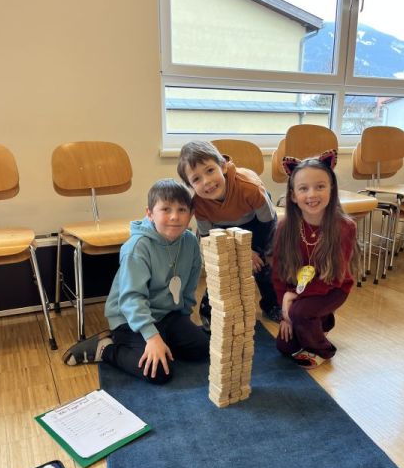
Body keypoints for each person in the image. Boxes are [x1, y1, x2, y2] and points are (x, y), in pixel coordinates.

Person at [63, 178, 209, 383]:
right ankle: (106, 348)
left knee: (202, 349)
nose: (175, 216)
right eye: (166, 209)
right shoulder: (138, 247)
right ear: (150, 213)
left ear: (191, 214)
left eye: (182, 210)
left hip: (168, 314)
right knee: (159, 373)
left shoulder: (191, 242)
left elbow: (189, 287)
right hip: (130, 318)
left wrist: (183, 320)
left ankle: (160, 340)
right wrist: (151, 336)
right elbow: (131, 299)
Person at [177, 140, 281, 330]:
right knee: (221, 267)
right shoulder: (199, 204)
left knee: (263, 266)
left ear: (223, 166)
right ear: (190, 185)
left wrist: (257, 251)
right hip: (221, 228)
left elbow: (268, 224)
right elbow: (209, 239)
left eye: (210, 170)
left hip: (257, 223)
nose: (206, 181)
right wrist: (240, 252)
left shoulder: (250, 188)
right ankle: (209, 310)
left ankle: (271, 304)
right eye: (196, 179)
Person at [272, 149, 359, 369]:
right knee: (285, 346)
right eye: (303, 188)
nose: (312, 194)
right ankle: (322, 320)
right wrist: (285, 311)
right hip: (299, 291)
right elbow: (278, 273)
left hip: (332, 288)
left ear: (332, 189)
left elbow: (335, 278)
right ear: (293, 195)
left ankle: (323, 349)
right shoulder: (285, 226)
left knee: (301, 312)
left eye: (320, 186)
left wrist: (295, 300)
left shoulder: (344, 227)